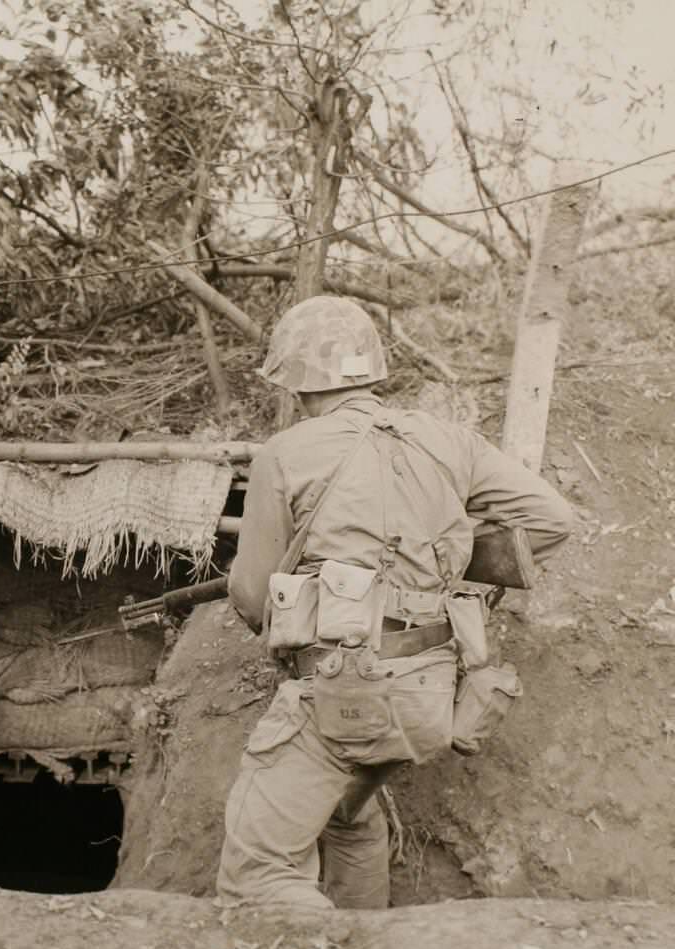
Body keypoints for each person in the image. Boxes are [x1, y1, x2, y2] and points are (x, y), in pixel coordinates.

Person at [216, 295, 574, 909]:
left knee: (258, 875)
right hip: (430, 695)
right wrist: (449, 566)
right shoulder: (448, 441)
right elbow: (551, 520)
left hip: (342, 693)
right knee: (347, 818)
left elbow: (253, 598)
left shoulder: (286, 454)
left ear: (296, 377)